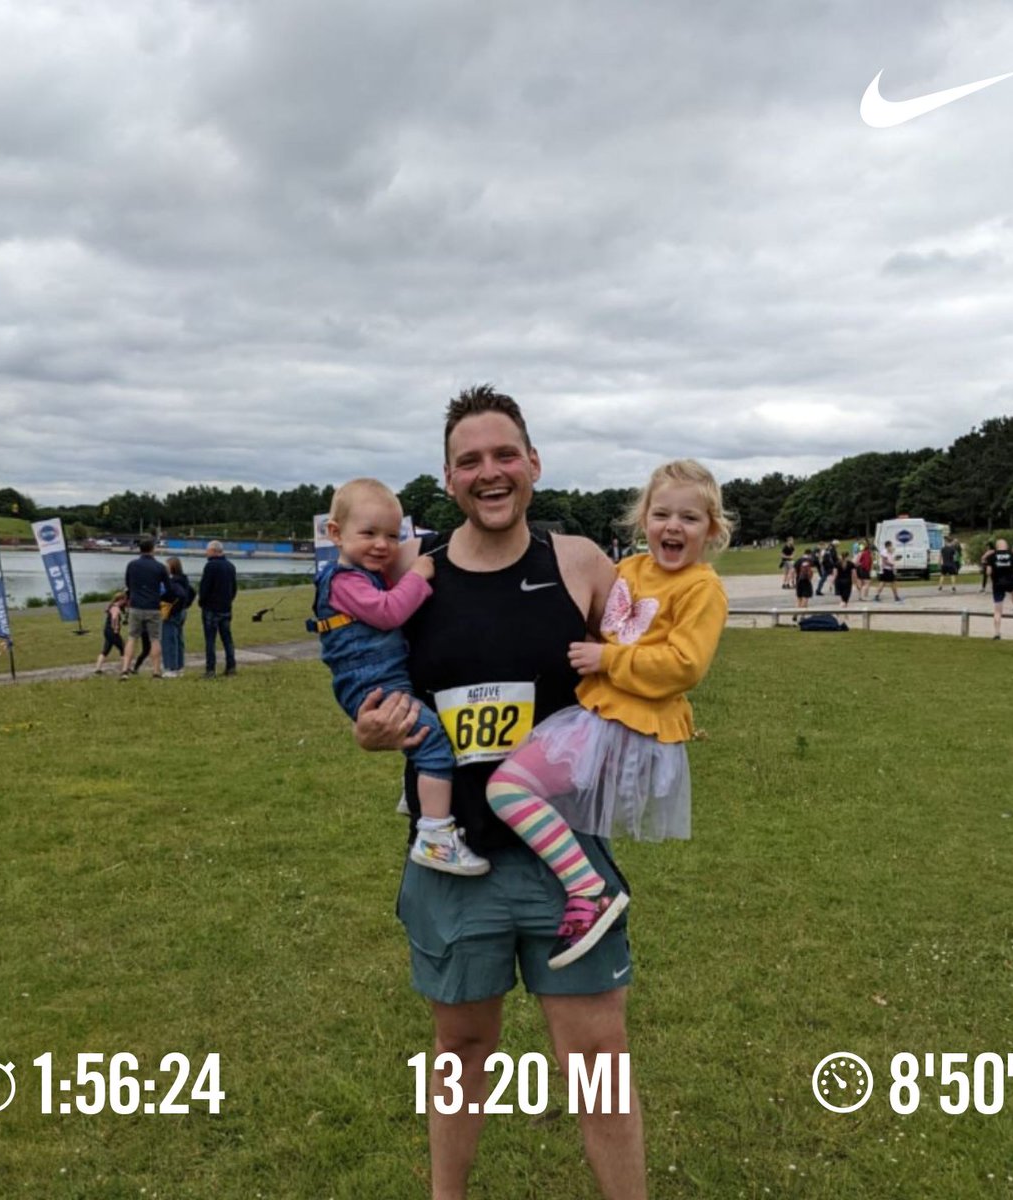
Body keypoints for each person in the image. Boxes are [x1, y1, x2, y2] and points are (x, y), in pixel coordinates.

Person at [354, 386, 647, 1198]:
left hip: (567, 860)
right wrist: (368, 730)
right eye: (470, 460)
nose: (491, 472)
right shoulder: (413, 576)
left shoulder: (580, 561)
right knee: (461, 1053)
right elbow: (371, 686)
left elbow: (646, 659)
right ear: (447, 479)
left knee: (599, 1064)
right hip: (455, 856)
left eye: (505, 455)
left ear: (534, 465)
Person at [485, 459, 728, 968]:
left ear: (712, 529)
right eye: (662, 514)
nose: (673, 527)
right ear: (644, 520)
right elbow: (601, 615)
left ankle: (586, 888)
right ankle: (575, 886)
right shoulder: (631, 570)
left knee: (507, 788)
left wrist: (607, 659)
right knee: (522, 781)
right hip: (597, 715)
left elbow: (684, 666)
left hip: (628, 728)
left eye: (689, 518)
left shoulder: (702, 588)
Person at [309, 478, 488, 875]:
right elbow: (389, 612)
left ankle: (420, 793)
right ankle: (436, 836)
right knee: (436, 746)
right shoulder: (346, 582)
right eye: (369, 533)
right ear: (335, 534)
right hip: (374, 685)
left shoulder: (358, 574)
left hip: (382, 680)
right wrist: (418, 575)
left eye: (392, 535)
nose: (382, 545)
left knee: (425, 732)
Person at [119, 538, 169, 680]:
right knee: (155, 639)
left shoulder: (132, 565)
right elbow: (168, 588)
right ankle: (156, 671)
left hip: (136, 606)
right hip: (153, 606)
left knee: (132, 637)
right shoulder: (160, 567)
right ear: (153, 549)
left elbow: (128, 584)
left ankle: (125, 670)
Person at [198, 541, 238, 678]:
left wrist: (201, 601)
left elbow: (205, 587)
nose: (206, 553)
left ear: (214, 551)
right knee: (227, 638)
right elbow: (234, 588)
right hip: (226, 607)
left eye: (207, 550)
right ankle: (231, 666)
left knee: (210, 640)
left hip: (211, 608)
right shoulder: (230, 566)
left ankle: (210, 669)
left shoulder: (210, 566)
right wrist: (228, 600)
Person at [161, 556, 196, 677]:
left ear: (172, 567)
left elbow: (179, 595)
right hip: (182, 612)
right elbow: (192, 592)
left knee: (169, 639)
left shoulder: (172, 582)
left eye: (166, 566)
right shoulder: (184, 580)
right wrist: (186, 605)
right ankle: (179, 666)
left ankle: (171, 668)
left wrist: (173, 607)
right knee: (178, 639)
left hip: (173, 612)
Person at [989, 538, 1013, 639]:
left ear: (997, 546)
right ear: (1006, 546)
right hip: (1010, 582)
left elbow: (988, 572)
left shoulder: (991, 556)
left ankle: (997, 632)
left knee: (997, 610)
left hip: (997, 584)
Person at [94, 589, 127, 674]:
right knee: (124, 648)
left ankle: (98, 668)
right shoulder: (116, 608)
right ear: (120, 600)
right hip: (112, 631)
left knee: (106, 650)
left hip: (107, 631)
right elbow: (114, 618)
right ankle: (124, 668)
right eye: (124, 600)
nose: (125, 602)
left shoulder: (112, 606)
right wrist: (115, 627)